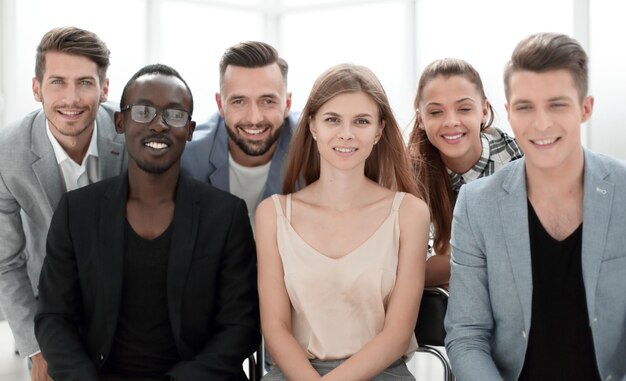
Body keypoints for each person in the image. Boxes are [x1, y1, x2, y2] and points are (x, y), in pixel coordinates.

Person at [34, 64, 260, 381]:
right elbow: (54, 317)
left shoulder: (226, 216)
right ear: (120, 121)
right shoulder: (77, 212)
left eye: (174, 115)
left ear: (191, 129)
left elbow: (241, 325)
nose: (158, 125)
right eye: (143, 112)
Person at [444, 33, 626, 381]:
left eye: (557, 104)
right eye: (525, 107)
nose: (541, 124)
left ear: (585, 108)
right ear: (509, 113)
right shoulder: (476, 205)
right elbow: (468, 335)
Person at [256, 63, 431, 380]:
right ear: (312, 126)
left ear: (378, 130)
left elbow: (396, 335)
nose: (346, 133)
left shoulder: (410, 214)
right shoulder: (273, 214)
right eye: (332, 119)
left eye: (361, 121)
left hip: (380, 373)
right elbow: (275, 328)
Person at [0, 26, 126, 381]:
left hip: (124, 303)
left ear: (104, 88)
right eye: (57, 81)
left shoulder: (129, 135)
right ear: (37, 88)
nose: (71, 98)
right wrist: (37, 350)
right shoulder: (8, 154)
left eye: (85, 82)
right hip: (50, 305)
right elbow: (5, 262)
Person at [408, 58, 523, 288]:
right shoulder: (409, 176)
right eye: (436, 112)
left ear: (484, 111)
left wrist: (450, 263)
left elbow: (525, 254)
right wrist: (484, 257)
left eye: (464, 108)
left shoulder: (515, 159)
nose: (451, 121)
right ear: (420, 118)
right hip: (438, 308)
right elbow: (408, 273)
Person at [182, 41, 298, 230]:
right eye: (239, 101)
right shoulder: (187, 159)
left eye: (268, 101)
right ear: (220, 105)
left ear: (288, 104)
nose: (254, 118)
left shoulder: (314, 151)